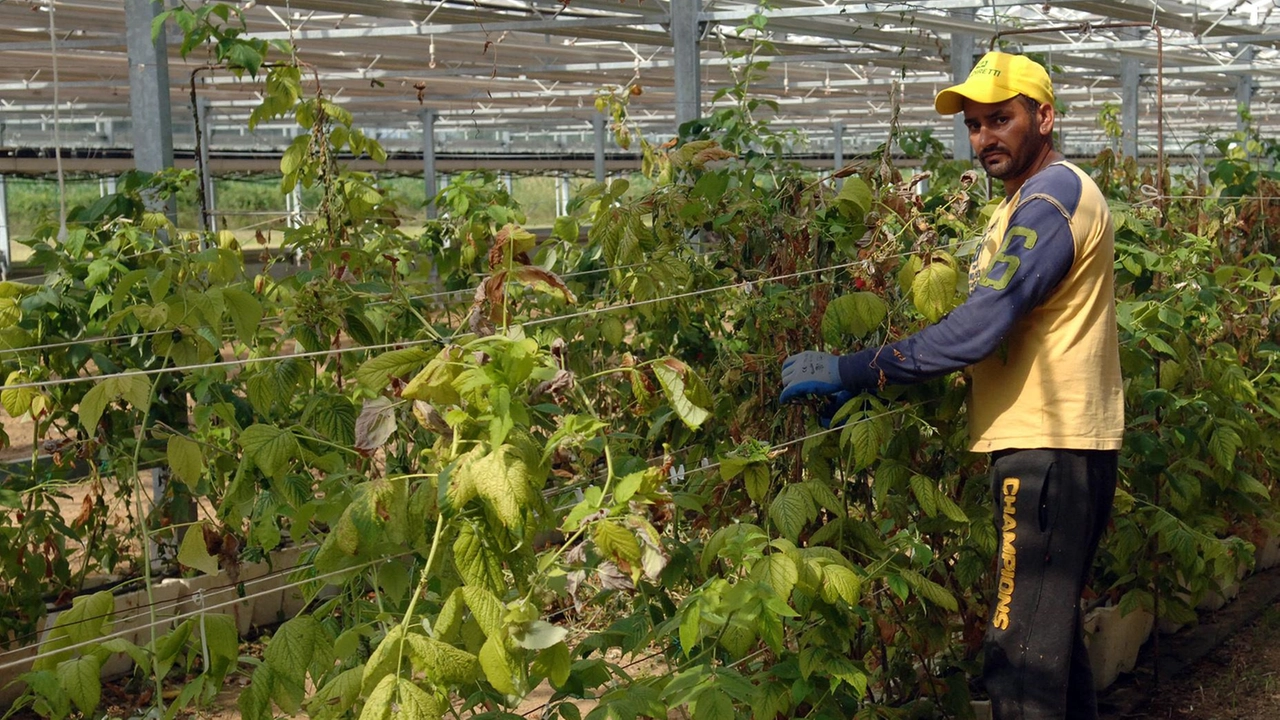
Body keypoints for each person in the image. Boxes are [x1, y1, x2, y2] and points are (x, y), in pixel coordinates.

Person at [779, 51, 1124, 719]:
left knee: (1019, 660)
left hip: (1048, 453)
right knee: (1052, 652)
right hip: (1061, 449)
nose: (984, 138)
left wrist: (855, 367)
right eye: (973, 124)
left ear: (1044, 116)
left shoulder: (1051, 202)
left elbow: (981, 328)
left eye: (1001, 119)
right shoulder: (1038, 198)